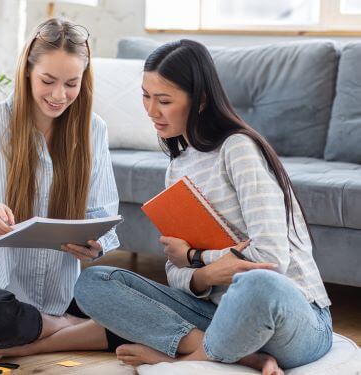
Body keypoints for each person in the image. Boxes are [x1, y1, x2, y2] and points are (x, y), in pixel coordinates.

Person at [74, 40, 333, 375]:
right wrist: (206, 275)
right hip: (217, 315)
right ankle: (232, 354)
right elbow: (174, 271)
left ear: (200, 101)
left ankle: (185, 360)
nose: (151, 111)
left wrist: (198, 259)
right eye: (146, 96)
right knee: (95, 282)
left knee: (257, 284)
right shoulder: (177, 167)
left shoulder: (237, 149)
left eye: (164, 100)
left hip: (293, 318)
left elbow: (271, 260)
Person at [0, 18, 126, 361]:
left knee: (133, 305)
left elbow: (102, 217)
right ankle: (68, 327)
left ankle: (43, 335)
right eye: (47, 81)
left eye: (71, 84)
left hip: (56, 288)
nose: (59, 95)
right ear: (27, 73)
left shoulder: (93, 130)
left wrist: (95, 246)